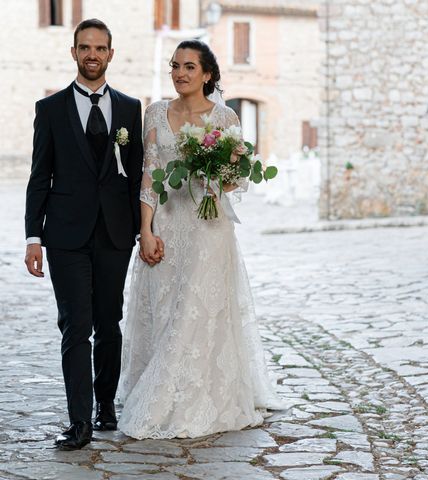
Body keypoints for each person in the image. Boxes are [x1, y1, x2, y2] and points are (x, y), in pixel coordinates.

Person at [118, 40, 285, 439]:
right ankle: (159, 385)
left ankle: (192, 396)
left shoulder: (225, 118)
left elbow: (236, 180)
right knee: (165, 306)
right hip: (169, 222)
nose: (179, 73)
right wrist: (146, 229)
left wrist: (218, 171)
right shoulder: (156, 113)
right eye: (174, 66)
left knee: (197, 308)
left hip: (209, 228)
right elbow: (150, 173)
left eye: (189, 67)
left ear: (207, 74)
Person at [24, 19, 144, 449]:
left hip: (114, 233)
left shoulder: (131, 108)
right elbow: (40, 176)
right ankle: (79, 422)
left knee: (109, 323)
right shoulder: (51, 109)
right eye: (84, 47)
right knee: (76, 326)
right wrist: (33, 237)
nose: (92, 54)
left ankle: (105, 405)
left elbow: (135, 178)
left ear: (111, 54)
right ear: (73, 52)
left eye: (100, 48)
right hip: (65, 235)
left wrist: (138, 229)